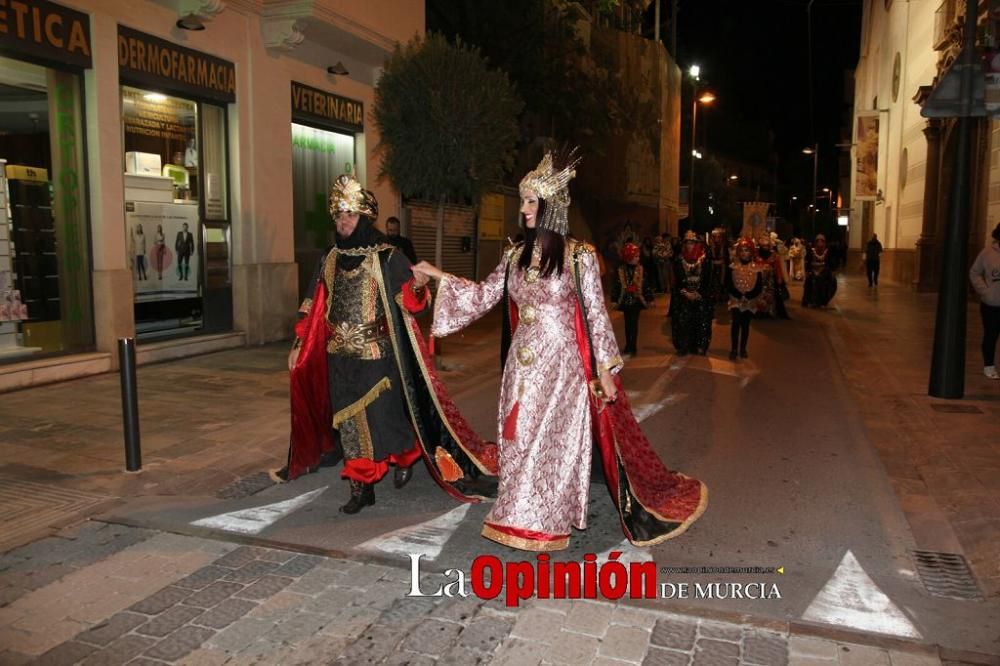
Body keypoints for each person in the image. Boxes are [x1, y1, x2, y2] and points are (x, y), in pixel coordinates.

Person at [413, 151, 706, 551]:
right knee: (517, 434)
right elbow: (483, 295)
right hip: (521, 364)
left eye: (532, 202)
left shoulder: (578, 256)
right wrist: (439, 277)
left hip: (561, 365)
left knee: (548, 438)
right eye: (523, 201)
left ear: (551, 206)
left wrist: (605, 367)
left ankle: (541, 518)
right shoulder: (515, 254)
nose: (525, 210)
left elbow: (595, 314)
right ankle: (517, 506)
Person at [275, 172, 498, 512]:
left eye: (349, 214)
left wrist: (420, 285)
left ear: (363, 217)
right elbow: (312, 305)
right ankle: (361, 488)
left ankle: (406, 457)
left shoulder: (388, 256)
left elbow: (411, 303)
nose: (343, 221)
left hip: (378, 357)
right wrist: (298, 346)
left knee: (385, 422)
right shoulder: (329, 258)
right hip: (339, 357)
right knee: (350, 425)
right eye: (338, 215)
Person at [671, 231, 713, 355]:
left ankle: (699, 345)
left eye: (692, 243)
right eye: (687, 243)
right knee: (684, 321)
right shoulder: (679, 259)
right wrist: (686, 293)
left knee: (700, 321)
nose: (689, 245)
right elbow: (677, 280)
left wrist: (699, 293)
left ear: (696, 244)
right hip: (684, 296)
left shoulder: (704, 259)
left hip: (700, 295)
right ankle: (684, 346)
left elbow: (707, 278)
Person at [969, 222, 1000, 380]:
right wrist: (985, 291)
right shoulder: (987, 253)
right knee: (991, 335)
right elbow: (975, 272)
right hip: (992, 304)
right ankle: (989, 366)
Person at [726, 238, 764, 360]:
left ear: (751, 252)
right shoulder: (733, 267)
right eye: (741, 250)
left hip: (749, 301)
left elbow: (758, 286)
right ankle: (733, 349)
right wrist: (738, 295)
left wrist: (748, 296)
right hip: (736, 299)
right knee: (735, 323)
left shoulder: (756, 268)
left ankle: (743, 348)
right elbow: (728, 284)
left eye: (746, 250)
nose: (743, 253)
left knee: (745, 325)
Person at [613, 242, 652, 357]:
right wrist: (614, 299)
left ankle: (632, 347)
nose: (638, 258)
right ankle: (628, 345)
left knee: (634, 324)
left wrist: (649, 298)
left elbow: (646, 284)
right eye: (635, 256)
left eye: (638, 256)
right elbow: (616, 285)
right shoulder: (620, 269)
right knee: (627, 324)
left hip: (636, 301)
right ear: (628, 257)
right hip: (625, 300)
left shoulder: (640, 269)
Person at [754, 234, 790, 319]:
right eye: (763, 245)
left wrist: (779, 278)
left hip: (771, 281)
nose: (765, 246)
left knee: (770, 295)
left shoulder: (774, 255)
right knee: (759, 295)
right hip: (759, 280)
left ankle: (770, 312)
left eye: (767, 245)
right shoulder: (756, 254)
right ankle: (759, 312)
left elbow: (777, 267)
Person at [802, 234, 838, 308]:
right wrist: (807, 271)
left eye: (822, 241)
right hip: (812, 271)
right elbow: (808, 262)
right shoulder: (811, 251)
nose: (820, 243)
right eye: (818, 241)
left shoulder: (827, 252)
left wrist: (833, 271)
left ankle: (822, 301)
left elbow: (831, 262)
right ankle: (811, 301)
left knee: (826, 282)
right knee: (810, 282)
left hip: (824, 271)